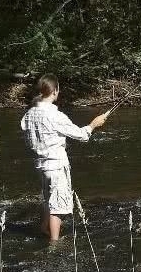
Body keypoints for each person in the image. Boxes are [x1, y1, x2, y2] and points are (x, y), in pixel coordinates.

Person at [20, 74, 108, 241]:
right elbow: (81, 135)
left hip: (40, 165)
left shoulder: (29, 114)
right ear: (55, 91)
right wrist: (93, 124)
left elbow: (27, 133)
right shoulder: (55, 116)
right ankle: (54, 243)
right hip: (56, 166)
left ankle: (44, 228)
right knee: (58, 206)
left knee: (48, 199)